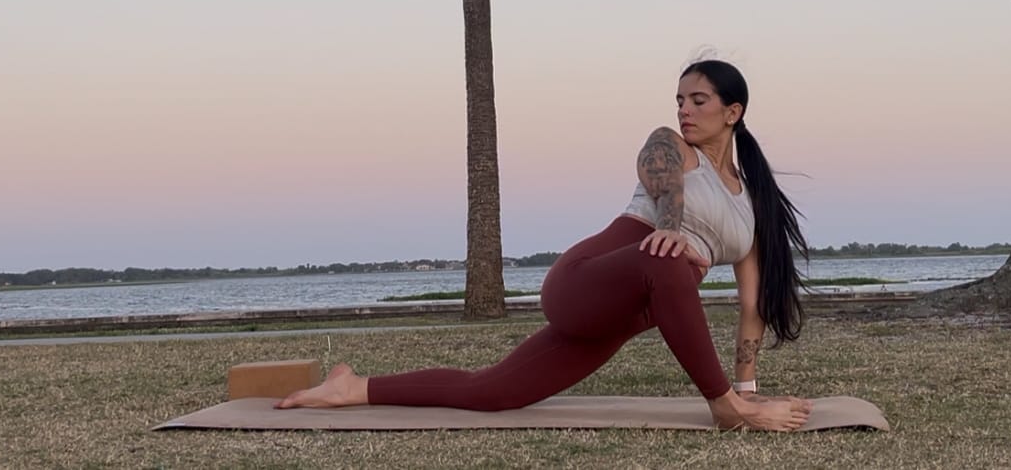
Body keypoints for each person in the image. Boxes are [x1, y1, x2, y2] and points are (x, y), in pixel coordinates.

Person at [276, 59, 814, 431]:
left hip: (623, 314)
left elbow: (750, 305)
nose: (684, 111)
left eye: (698, 101)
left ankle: (352, 387)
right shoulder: (670, 145)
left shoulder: (749, 204)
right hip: (584, 281)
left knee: (491, 392)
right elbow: (662, 173)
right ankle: (724, 409)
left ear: (732, 112)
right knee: (668, 259)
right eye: (679, 100)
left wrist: (750, 388)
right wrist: (670, 227)